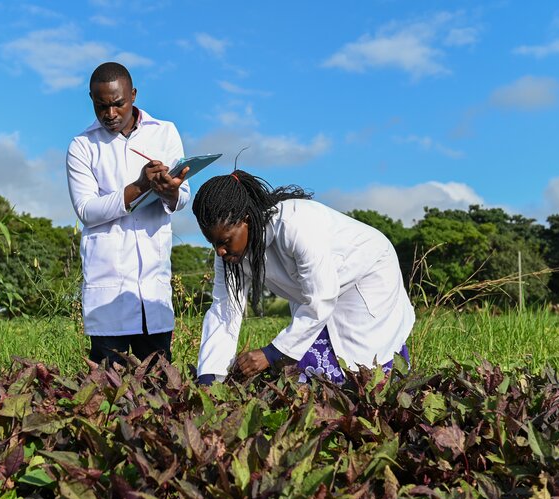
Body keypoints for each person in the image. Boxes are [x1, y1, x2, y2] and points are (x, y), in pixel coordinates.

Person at [192, 170, 414, 384]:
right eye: (213, 243)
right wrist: (210, 375)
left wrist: (270, 354)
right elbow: (224, 310)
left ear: (246, 220)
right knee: (304, 374)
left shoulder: (295, 225)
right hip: (319, 291)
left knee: (360, 373)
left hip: (366, 274)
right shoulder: (229, 255)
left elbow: (321, 299)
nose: (219, 250)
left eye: (225, 241)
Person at [66, 62, 190, 367]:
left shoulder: (165, 132)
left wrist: (169, 189)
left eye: (118, 104)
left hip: (152, 287)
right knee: (108, 390)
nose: (110, 114)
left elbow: (183, 198)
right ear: (92, 100)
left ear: (133, 95)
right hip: (108, 288)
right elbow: (86, 210)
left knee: (160, 386)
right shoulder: (82, 146)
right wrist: (138, 187)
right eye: (101, 106)